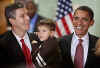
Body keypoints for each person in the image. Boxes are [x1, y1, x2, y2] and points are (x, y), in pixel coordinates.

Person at [0, 3, 35, 68]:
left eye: (27, 14)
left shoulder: (38, 38)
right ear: (12, 21)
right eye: (22, 16)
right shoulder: (2, 44)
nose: (28, 18)